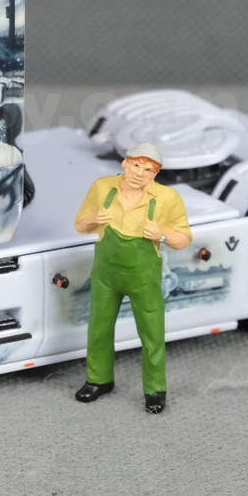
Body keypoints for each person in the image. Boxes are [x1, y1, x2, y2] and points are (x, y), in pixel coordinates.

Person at [71, 142, 192, 414]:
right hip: (106, 275)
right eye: (136, 165)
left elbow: (184, 238)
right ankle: (98, 379)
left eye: (148, 169)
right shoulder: (103, 188)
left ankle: (155, 390)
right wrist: (94, 219)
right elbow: (80, 224)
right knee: (99, 328)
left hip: (143, 278)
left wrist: (161, 235)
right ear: (125, 163)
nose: (140, 173)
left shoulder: (167, 198)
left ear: (155, 174)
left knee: (152, 333)